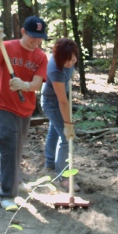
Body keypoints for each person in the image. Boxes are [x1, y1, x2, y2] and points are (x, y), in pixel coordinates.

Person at [0, 16, 48, 211]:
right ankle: (7, 194)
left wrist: (25, 85)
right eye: (32, 36)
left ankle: (16, 180)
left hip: (24, 108)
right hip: (2, 105)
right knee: (9, 147)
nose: (35, 41)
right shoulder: (7, 47)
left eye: (39, 38)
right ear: (23, 32)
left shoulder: (40, 57)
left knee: (17, 148)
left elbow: (36, 83)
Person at [40, 38, 80, 192]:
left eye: (72, 60)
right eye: (66, 62)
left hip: (60, 98)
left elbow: (68, 79)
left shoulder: (69, 58)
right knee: (65, 137)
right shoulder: (55, 69)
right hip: (52, 102)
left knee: (54, 130)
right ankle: (63, 176)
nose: (70, 64)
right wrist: (69, 125)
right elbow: (62, 101)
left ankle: (51, 162)